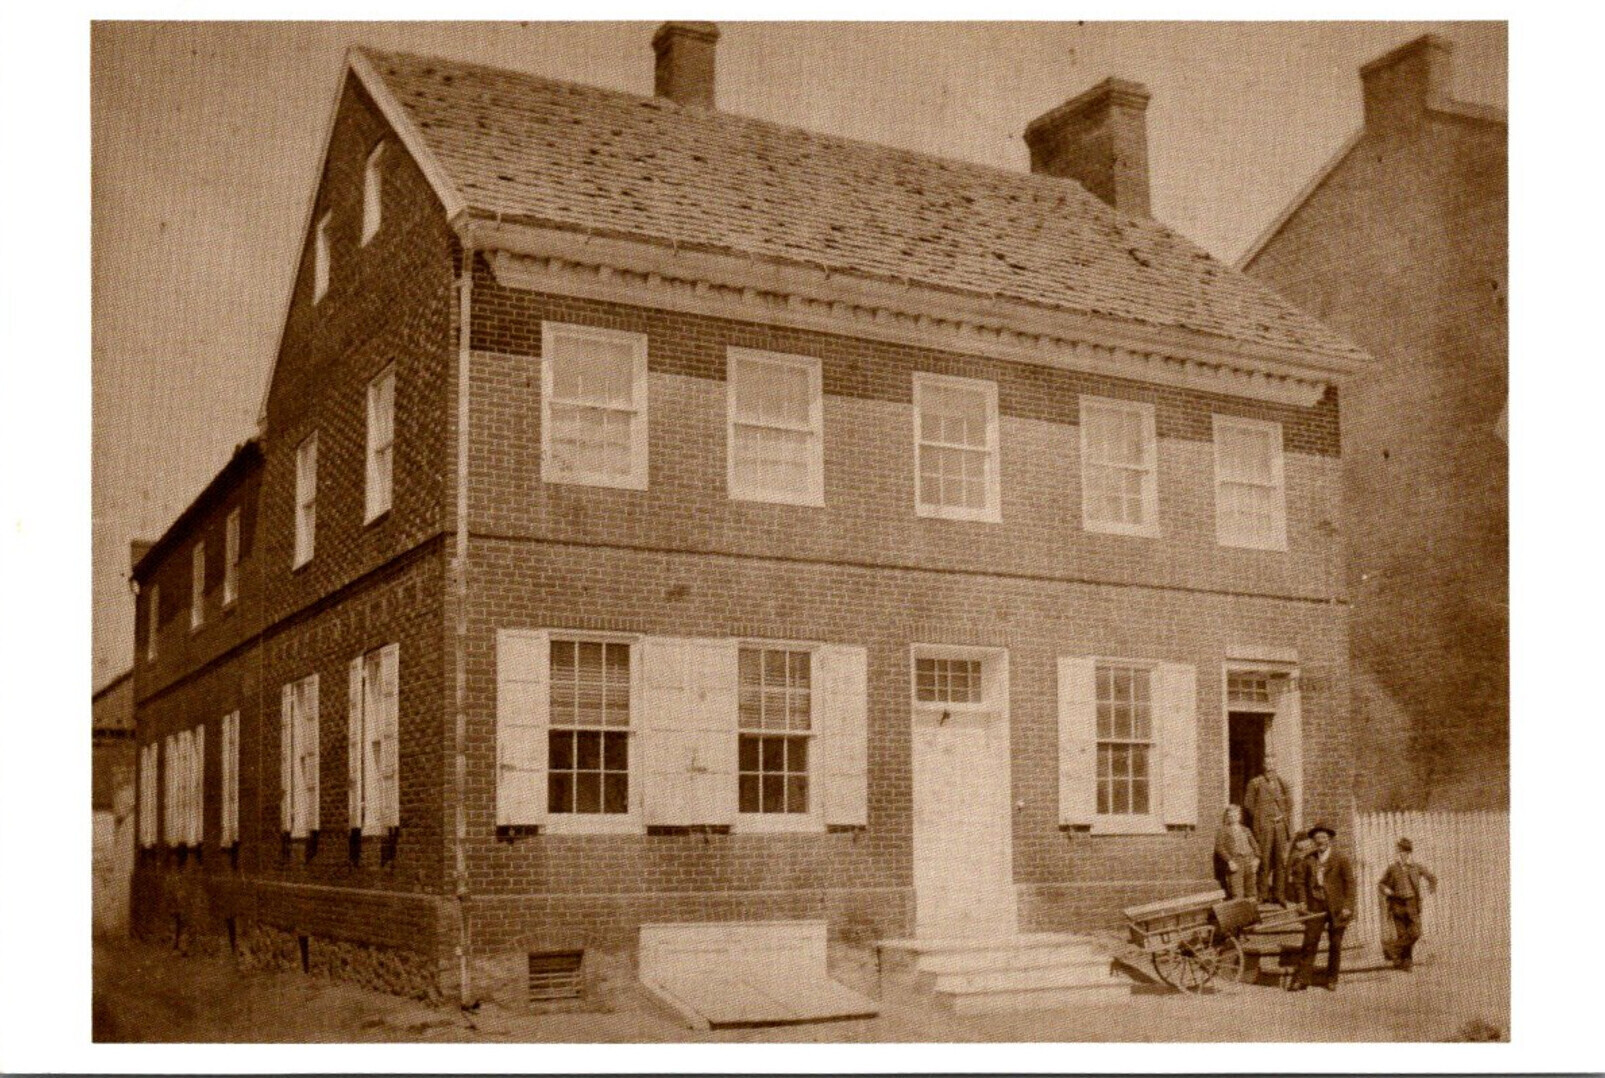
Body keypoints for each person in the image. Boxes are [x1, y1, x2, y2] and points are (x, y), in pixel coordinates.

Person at [1288, 821, 1354, 992]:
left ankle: (1331, 979)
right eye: (1317, 838)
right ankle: (1302, 979)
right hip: (1315, 905)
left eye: (1323, 837)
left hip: (1337, 907)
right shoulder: (1309, 859)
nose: (1320, 841)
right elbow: (1299, 882)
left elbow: (1350, 884)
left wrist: (1348, 906)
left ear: (1329, 839)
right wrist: (1302, 901)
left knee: (1335, 944)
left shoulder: (1341, 859)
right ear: (1314, 841)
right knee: (1309, 942)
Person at [1379, 837, 1438, 971]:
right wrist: (1387, 890)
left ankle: (1392, 949)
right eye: (1399, 851)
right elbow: (1381, 883)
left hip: (1412, 903)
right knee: (1402, 934)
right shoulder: (1392, 868)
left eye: (1405, 852)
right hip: (1397, 904)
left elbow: (1432, 878)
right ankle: (1405, 962)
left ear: (1409, 853)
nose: (1402, 854)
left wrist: (1430, 888)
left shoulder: (1416, 867)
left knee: (1415, 933)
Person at [1243, 753, 1293, 905]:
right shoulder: (1255, 783)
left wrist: (1282, 816)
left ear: (1276, 765)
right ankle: (1263, 894)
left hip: (1280, 826)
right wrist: (1261, 817)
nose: (1270, 767)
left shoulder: (1282, 783)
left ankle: (1279, 895)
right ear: (1263, 766)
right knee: (1264, 860)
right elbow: (1248, 804)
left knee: (1281, 861)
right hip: (1264, 827)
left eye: (1272, 764)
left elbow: (1289, 803)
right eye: (1267, 763)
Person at [1213, 805, 1261, 899]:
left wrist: (1257, 859)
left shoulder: (1246, 830)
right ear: (1227, 817)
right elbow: (1219, 847)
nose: (1233, 817)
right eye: (1230, 815)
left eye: (1235, 815)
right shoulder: (1223, 830)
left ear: (1239, 816)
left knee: (1252, 892)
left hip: (1249, 861)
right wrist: (1230, 861)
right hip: (1236, 861)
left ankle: (1251, 908)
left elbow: (1255, 846)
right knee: (1237, 892)